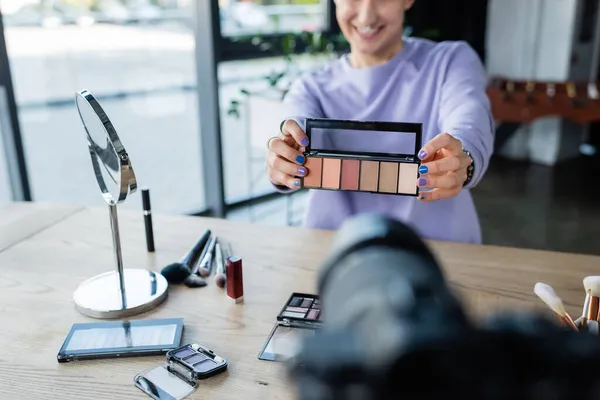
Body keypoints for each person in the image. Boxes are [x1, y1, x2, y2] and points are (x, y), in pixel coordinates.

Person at [265, 0, 494, 244]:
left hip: (441, 251)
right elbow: (292, 126)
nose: (366, 17)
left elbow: (469, 117)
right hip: (335, 250)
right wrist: (283, 159)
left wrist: (464, 158)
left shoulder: (451, 61)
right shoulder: (310, 86)